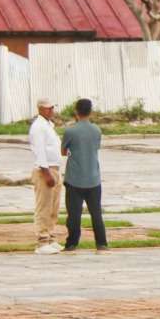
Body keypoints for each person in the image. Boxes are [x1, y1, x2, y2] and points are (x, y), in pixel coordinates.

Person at [61, 97, 109, 252]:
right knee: (96, 213)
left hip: (74, 178)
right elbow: (95, 148)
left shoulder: (70, 131)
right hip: (93, 178)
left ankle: (72, 243)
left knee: (74, 214)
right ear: (91, 111)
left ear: (76, 111)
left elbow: (63, 151)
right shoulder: (96, 130)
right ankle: (101, 243)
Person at [29, 98, 63, 254]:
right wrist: (46, 172)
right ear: (41, 109)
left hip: (55, 168)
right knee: (44, 207)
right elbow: (40, 151)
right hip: (45, 170)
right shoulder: (38, 126)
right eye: (48, 108)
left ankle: (50, 236)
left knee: (53, 207)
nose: (51, 111)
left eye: (52, 108)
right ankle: (42, 241)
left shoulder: (49, 125)